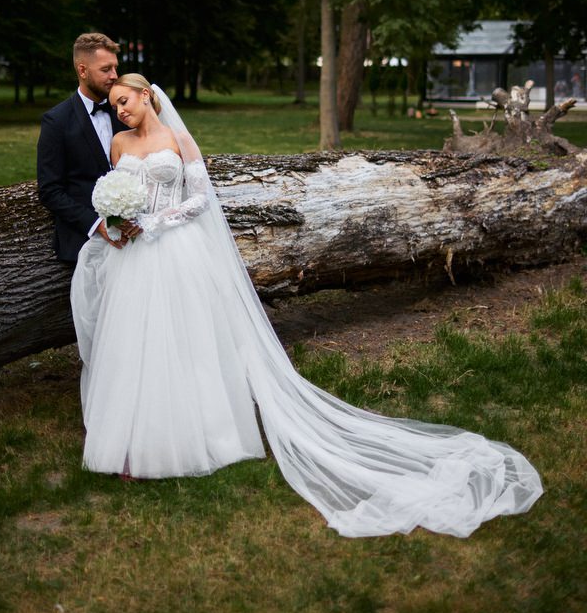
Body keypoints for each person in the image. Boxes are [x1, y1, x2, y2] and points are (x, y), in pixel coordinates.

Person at [70, 74, 543, 539]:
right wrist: (121, 219)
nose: (120, 111)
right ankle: (130, 446)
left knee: (183, 344)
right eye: (114, 105)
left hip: (175, 249)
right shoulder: (119, 146)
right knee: (136, 345)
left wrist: (155, 222)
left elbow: (199, 200)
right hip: (133, 258)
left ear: (146, 95)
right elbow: (118, 197)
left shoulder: (179, 139)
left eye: (125, 100)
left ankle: (194, 439)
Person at [37, 33, 129, 263]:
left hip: (132, 236)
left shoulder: (125, 112)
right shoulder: (56, 121)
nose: (114, 76)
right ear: (82, 70)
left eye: (115, 68)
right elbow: (50, 190)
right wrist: (97, 225)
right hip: (84, 240)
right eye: (106, 69)